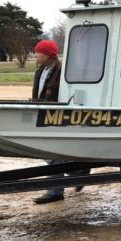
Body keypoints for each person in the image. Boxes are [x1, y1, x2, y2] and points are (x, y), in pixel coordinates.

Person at [30, 40, 85, 203]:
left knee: (50, 153)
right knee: (50, 153)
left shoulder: (62, 71)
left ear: (47, 54)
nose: (35, 55)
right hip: (42, 115)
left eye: (37, 52)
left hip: (55, 117)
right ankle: (77, 173)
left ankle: (56, 190)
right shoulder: (40, 71)